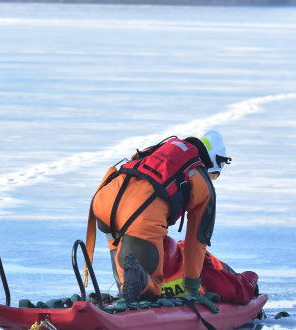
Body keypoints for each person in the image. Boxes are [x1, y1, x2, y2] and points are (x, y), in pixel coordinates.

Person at [88, 130, 231, 311]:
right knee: (149, 288)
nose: (212, 179)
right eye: (215, 175)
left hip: (103, 202)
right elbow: (197, 239)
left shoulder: (161, 151)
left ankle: (125, 293)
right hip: (140, 214)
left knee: (127, 277)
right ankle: (139, 288)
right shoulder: (200, 176)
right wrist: (192, 288)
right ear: (212, 163)